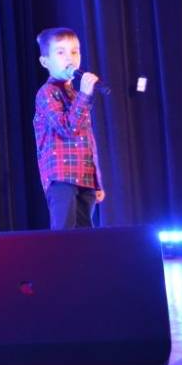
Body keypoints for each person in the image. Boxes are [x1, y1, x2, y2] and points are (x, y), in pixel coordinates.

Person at [33, 27, 105, 230]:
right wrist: (85, 94)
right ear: (45, 62)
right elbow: (67, 128)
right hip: (61, 177)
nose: (69, 57)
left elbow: (88, 140)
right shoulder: (47, 93)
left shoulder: (75, 94)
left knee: (84, 235)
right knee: (64, 233)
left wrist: (97, 180)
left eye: (74, 51)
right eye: (61, 52)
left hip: (85, 176)